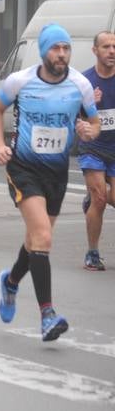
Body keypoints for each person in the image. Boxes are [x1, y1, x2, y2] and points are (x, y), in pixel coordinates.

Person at [0, 24, 100, 340]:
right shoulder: (20, 81)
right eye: (56, 48)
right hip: (23, 167)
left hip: (57, 172)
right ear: (44, 51)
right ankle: (47, 315)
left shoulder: (79, 85)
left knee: (37, 239)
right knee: (42, 236)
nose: (62, 54)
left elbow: (93, 123)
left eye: (66, 49)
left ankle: (10, 282)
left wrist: (89, 131)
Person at [79, 30, 115, 270]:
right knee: (101, 198)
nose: (112, 51)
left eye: (114, 46)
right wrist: (90, 103)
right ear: (95, 51)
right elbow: (73, 116)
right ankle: (92, 253)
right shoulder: (84, 81)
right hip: (93, 147)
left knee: (106, 199)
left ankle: (90, 200)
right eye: (106, 47)